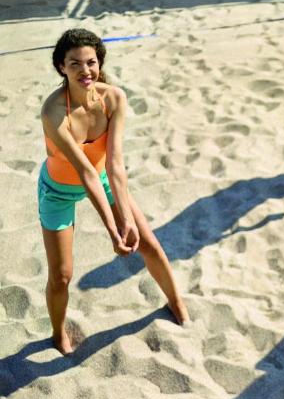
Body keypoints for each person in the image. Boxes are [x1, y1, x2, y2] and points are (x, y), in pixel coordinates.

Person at [39, 29, 189, 355]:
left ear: (99, 62)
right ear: (61, 67)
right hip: (58, 190)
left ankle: (176, 303)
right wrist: (113, 229)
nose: (85, 70)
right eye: (75, 64)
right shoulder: (53, 111)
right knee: (61, 276)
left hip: (104, 179)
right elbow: (85, 173)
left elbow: (114, 165)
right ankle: (58, 332)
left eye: (91, 62)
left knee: (149, 244)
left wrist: (127, 221)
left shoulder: (114, 98)